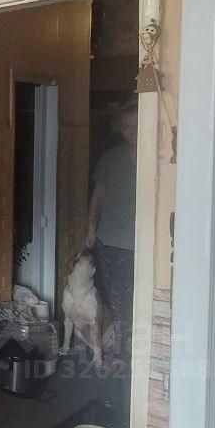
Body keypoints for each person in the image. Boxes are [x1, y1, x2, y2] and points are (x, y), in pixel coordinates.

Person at [86, 102, 138, 357]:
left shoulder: (160, 156)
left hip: (143, 240)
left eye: (137, 126)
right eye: (126, 127)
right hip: (111, 238)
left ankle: (136, 350)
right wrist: (90, 228)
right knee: (116, 299)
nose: (132, 132)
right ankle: (121, 350)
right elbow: (99, 194)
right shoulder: (112, 157)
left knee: (138, 296)